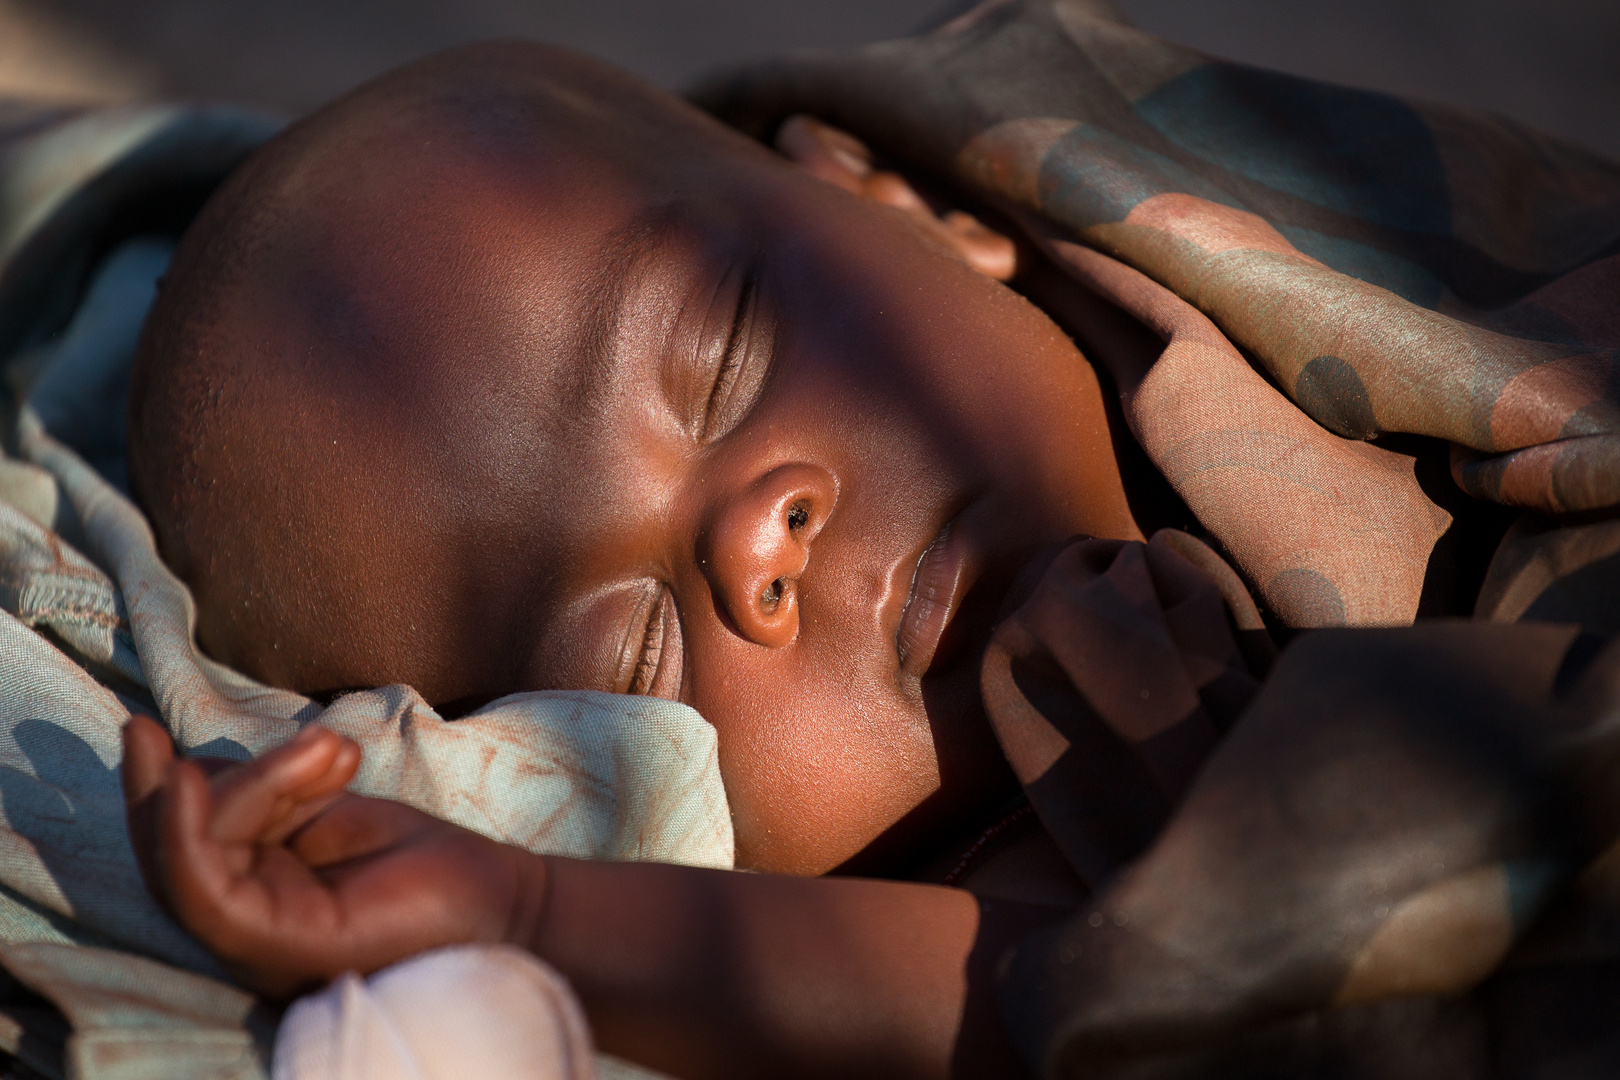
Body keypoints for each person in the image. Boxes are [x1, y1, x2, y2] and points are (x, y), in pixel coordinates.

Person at [113, 0, 1620, 1077]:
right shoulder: (1028, 858)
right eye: (641, 652)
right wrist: (524, 909)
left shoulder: (1269, 305)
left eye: (721, 352)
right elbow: (1036, 995)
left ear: (897, 200)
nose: (754, 551)